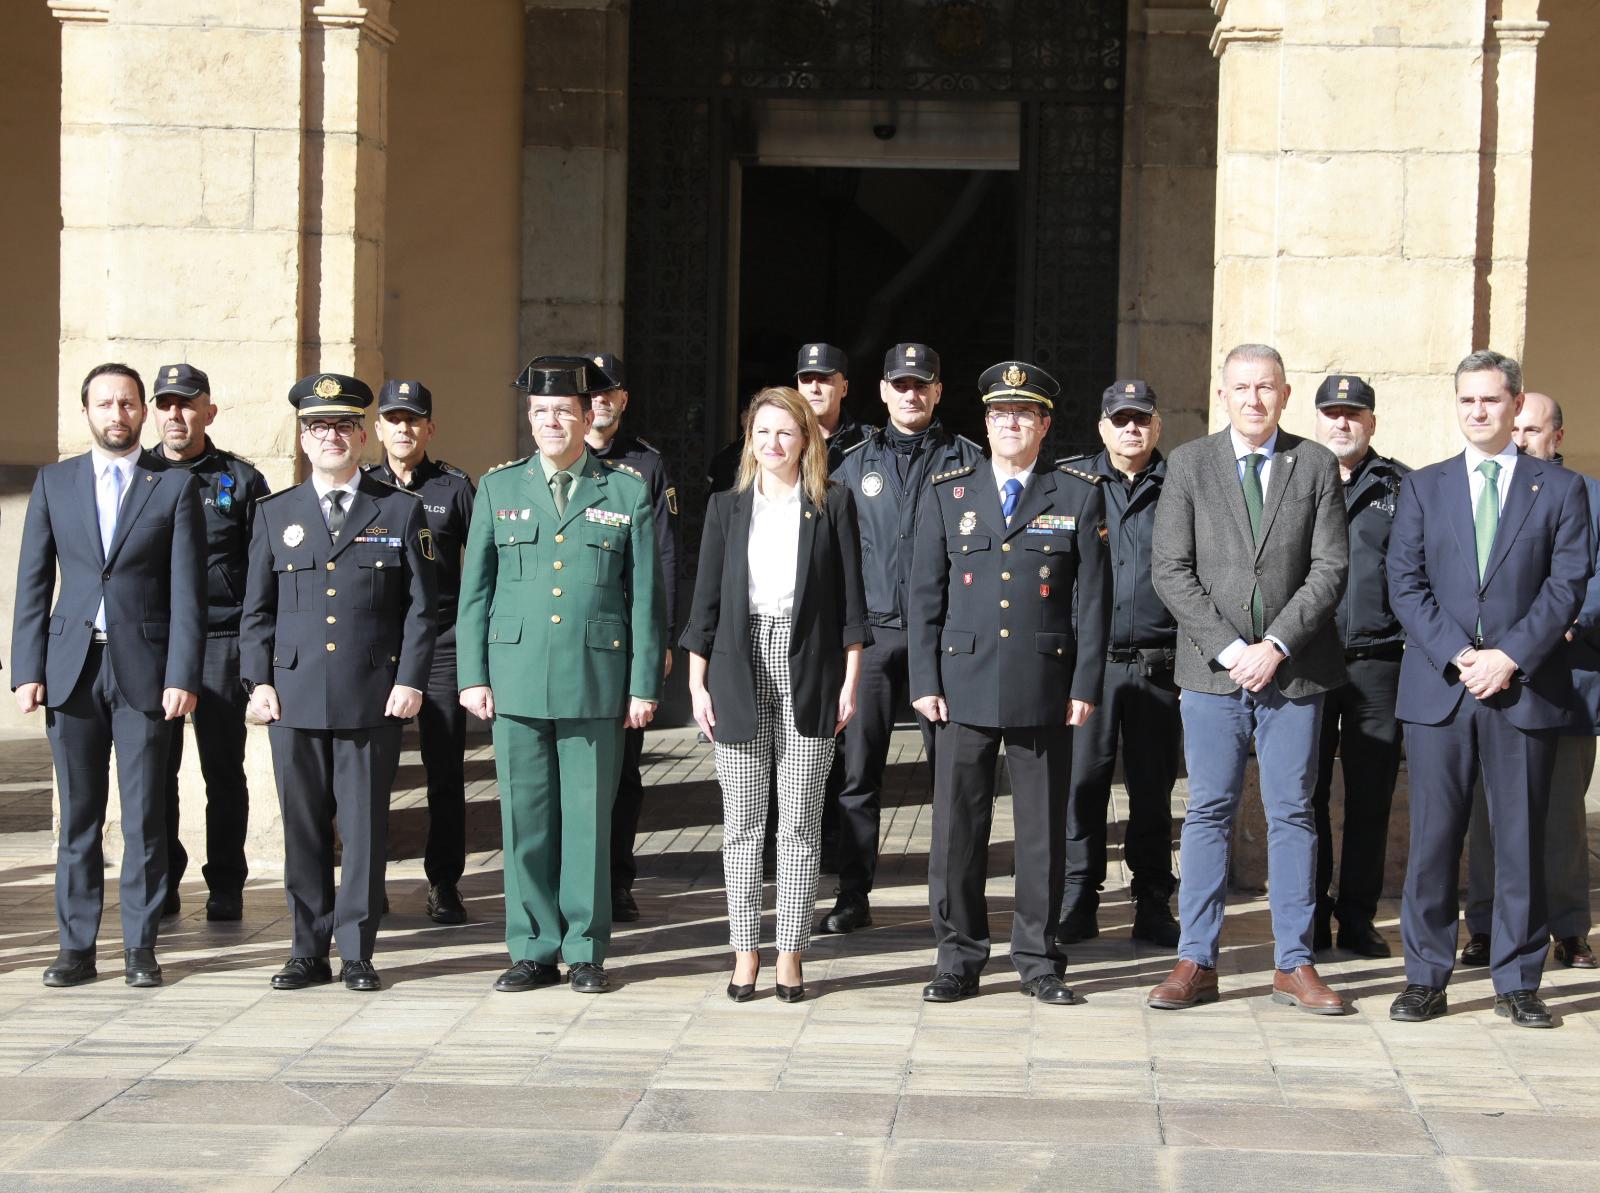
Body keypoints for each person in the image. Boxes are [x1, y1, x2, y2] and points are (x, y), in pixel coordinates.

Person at [1386, 352, 1590, 1030]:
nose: (1479, 412)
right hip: (1442, 688)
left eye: (1491, 401)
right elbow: (1405, 585)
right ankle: (1425, 975)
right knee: (1435, 840)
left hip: (1523, 689)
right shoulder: (1425, 486)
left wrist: (1509, 656)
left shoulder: (1559, 491)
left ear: (1515, 403)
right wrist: (1461, 654)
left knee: (1519, 840)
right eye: (1467, 401)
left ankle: (1518, 979)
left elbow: (1567, 585)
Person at [1147, 343, 1349, 1015]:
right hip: (1212, 674)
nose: (1254, 399)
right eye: (1242, 387)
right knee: (1208, 809)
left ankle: (1294, 962)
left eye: (1266, 387)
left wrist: (1279, 644)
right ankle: (1195, 959)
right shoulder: (1190, 463)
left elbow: (1329, 567)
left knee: (1293, 810)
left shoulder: (1315, 463)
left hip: (1294, 674)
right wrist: (1233, 648)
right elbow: (1171, 568)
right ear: (1223, 393)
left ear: (1286, 395)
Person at [458, 357, 664, 996]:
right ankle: (530, 947)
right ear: (530, 419)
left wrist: (643, 683)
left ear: (588, 416)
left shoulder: (625, 490)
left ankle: (585, 950)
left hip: (595, 676)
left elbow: (647, 598)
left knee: (588, 822)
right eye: (541, 413)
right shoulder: (498, 488)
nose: (552, 422)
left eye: (564, 412)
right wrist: (473, 674)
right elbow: (474, 592)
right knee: (525, 819)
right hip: (515, 675)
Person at [907, 360, 1108, 1006]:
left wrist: (1085, 683)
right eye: (999, 414)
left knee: (1042, 831)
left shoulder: (1076, 492)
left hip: (1042, 681)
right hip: (961, 679)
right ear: (986, 422)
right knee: (956, 830)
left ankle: (1038, 955)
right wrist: (922, 677)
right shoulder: (949, 490)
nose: (1010, 423)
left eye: (1023, 413)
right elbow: (923, 595)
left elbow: (1094, 604)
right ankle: (958, 955)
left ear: (1044, 423)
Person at [240, 373, 438, 993]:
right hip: (293, 697)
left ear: (362, 435)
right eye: (319, 427)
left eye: (344, 425)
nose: (332, 436)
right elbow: (256, 611)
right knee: (302, 828)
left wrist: (410, 679)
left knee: (364, 829)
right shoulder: (276, 514)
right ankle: (306, 948)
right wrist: (258, 682)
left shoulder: (399, 510)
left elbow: (423, 608)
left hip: (370, 695)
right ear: (303, 439)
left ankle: (356, 949)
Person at [11, 362, 207, 988]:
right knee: (79, 817)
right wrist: (26, 668)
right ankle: (76, 947)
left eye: (127, 404)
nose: (116, 415)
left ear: (142, 411)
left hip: (146, 673)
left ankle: (139, 948)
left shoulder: (171, 487)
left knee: (146, 814)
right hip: (71, 669)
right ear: (87, 412)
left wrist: (183, 673)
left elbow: (187, 594)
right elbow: (34, 581)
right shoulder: (55, 483)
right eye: (104, 404)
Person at [683, 386, 867, 1001]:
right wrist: (696, 681)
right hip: (738, 661)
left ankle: (790, 950)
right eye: (762, 433)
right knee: (742, 822)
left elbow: (851, 606)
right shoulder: (725, 508)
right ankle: (744, 951)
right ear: (749, 440)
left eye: (785, 432)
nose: (773, 444)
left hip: (810, 663)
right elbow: (704, 600)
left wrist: (849, 681)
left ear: (806, 440)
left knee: (799, 819)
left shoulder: (832, 504)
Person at [820, 342, 983, 935]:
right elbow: (832, 559)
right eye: (901, 384)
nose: (911, 394)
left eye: (923, 384)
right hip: (875, 639)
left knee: (952, 777)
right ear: (883, 391)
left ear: (938, 391)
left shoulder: (970, 461)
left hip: (945, 642)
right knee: (859, 776)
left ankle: (949, 903)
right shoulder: (852, 464)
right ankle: (852, 894)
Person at [1456, 391, 1598, 972]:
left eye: (1534, 430)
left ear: (1556, 438)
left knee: (1560, 813)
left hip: (1566, 679)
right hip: (1497, 680)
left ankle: (1568, 928)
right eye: (1517, 429)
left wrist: (1558, 628)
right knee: (1490, 815)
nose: (1521, 439)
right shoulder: (1483, 492)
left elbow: (1591, 583)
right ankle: (1488, 926)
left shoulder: (1588, 495)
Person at [1055, 380, 1180, 949]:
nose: (1131, 429)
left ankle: (1153, 900)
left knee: (1153, 793)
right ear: (1102, 427)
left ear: (1156, 427)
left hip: (1159, 663)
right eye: (1121, 420)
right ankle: (1078, 896)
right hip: (1089, 664)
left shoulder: (1182, 483)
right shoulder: (1071, 482)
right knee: (1082, 785)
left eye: (1141, 420)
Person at [151, 362, 271, 923]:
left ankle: (225, 883)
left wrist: (256, 655)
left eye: (187, 403)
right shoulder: (135, 473)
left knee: (224, 772)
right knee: (154, 769)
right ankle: (163, 879)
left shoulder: (240, 481)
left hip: (222, 643)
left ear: (209, 411)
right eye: (166, 404)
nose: (176, 414)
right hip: (154, 644)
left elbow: (261, 573)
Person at [365, 378, 477, 925]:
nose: (404, 429)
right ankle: (369, 882)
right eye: (394, 419)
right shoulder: (364, 488)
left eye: (414, 419)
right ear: (378, 429)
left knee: (444, 771)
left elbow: (482, 571)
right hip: (378, 647)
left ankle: (444, 883)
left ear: (429, 428)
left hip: (442, 644)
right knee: (371, 772)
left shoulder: (454, 488)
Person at [1308, 374, 1409, 959]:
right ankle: (1312, 916)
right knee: (1308, 794)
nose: (1342, 422)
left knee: (1371, 798)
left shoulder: (1403, 486)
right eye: (1332, 413)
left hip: (1378, 665)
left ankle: (1358, 917)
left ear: (1372, 422)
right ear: (1318, 420)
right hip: (1309, 661)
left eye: (1354, 413)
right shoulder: (1295, 479)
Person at [583, 352, 679, 924]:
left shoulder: (646, 465)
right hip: (574, 636)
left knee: (623, 770)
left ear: (623, 399)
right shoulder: (558, 459)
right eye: (590, 390)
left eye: (608, 391)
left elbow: (662, 557)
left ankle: (618, 880)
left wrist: (658, 638)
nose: (599, 400)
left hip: (623, 641)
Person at [707, 343, 868, 493]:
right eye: (806, 379)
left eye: (824, 379)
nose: (814, 388)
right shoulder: (766, 447)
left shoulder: (867, 444)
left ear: (844, 387)